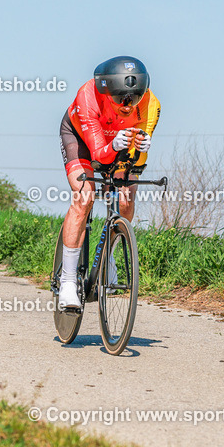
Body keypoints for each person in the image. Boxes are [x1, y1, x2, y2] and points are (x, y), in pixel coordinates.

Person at [57, 56, 160, 309]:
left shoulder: (152, 104)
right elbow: (97, 155)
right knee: (84, 196)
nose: (127, 105)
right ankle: (68, 281)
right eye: (120, 98)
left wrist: (141, 146)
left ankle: (108, 258)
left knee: (125, 198)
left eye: (133, 98)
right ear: (105, 91)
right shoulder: (88, 96)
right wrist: (114, 144)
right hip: (82, 139)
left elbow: (136, 161)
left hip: (118, 143)